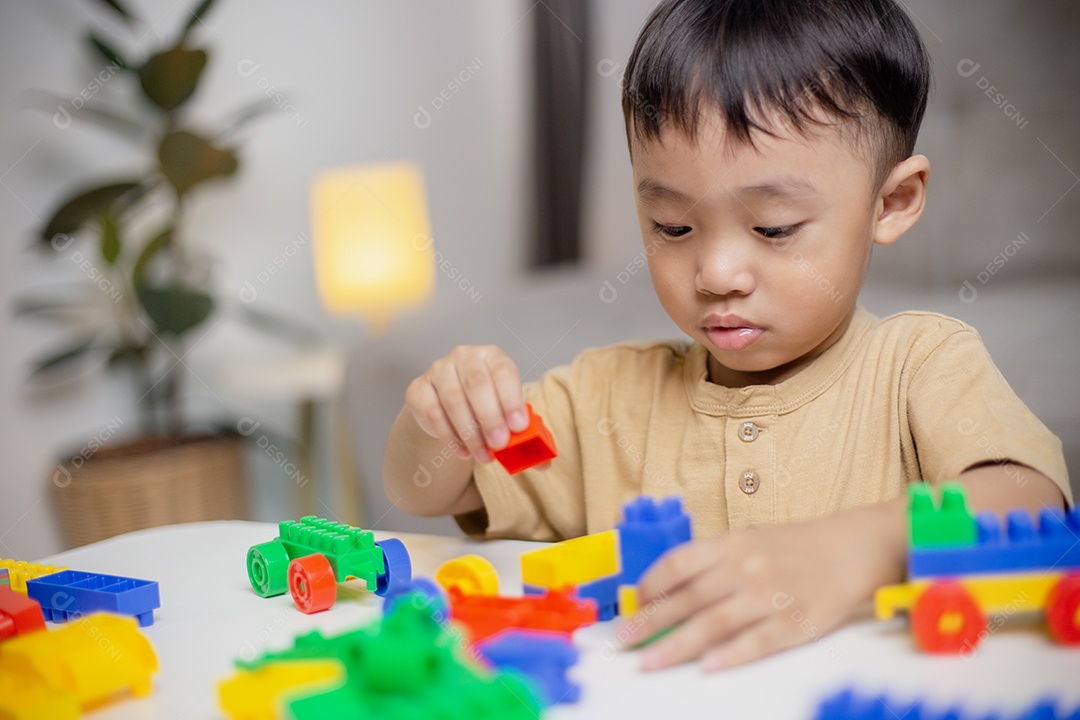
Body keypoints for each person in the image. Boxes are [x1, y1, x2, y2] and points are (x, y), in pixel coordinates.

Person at [383, 0, 1070, 672]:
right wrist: (441, 419)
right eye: (673, 228)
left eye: (773, 228)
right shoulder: (605, 398)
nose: (715, 272)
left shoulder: (919, 364)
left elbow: (1032, 509)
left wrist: (853, 549)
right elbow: (429, 492)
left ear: (891, 202)